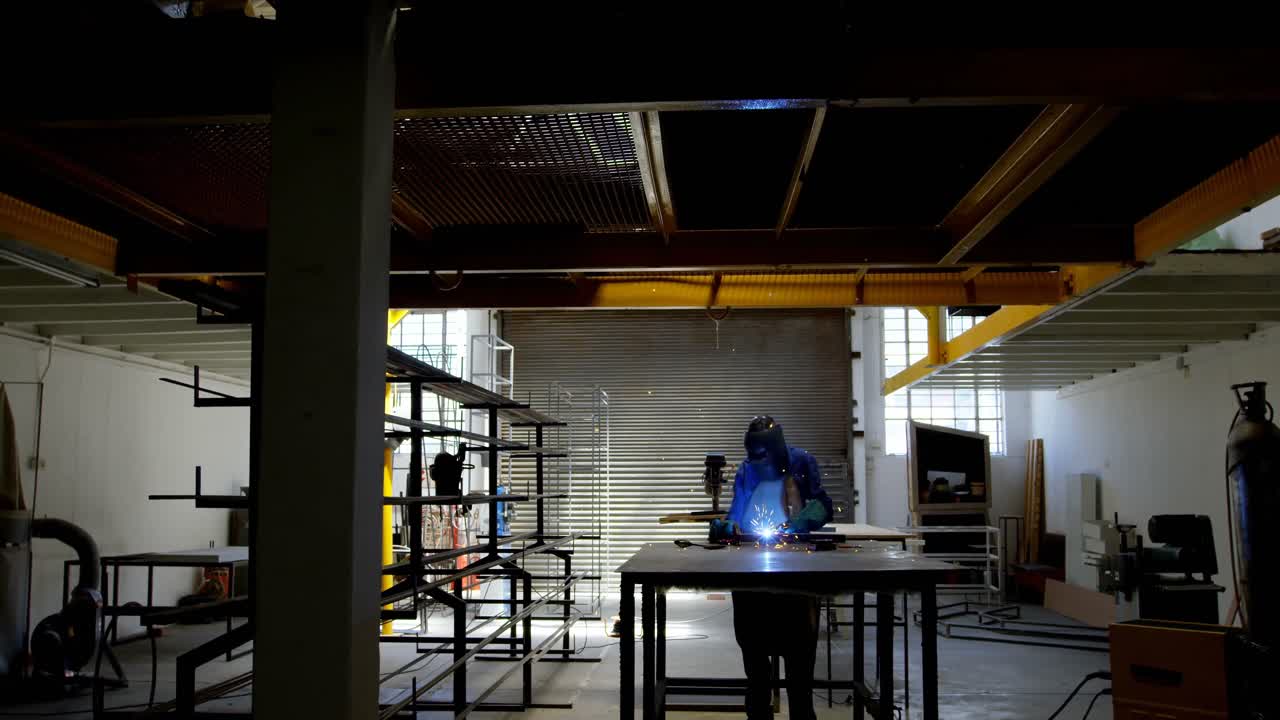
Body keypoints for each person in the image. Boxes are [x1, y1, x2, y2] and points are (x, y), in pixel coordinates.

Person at [709, 416, 833, 720]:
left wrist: (804, 519)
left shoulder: (802, 462)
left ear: (777, 450)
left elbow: (823, 504)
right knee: (754, 658)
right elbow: (737, 511)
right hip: (750, 565)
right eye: (755, 458)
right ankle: (757, 711)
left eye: (764, 457)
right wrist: (725, 526)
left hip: (796, 568)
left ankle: (802, 713)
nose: (759, 463)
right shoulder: (745, 469)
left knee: (799, 666)